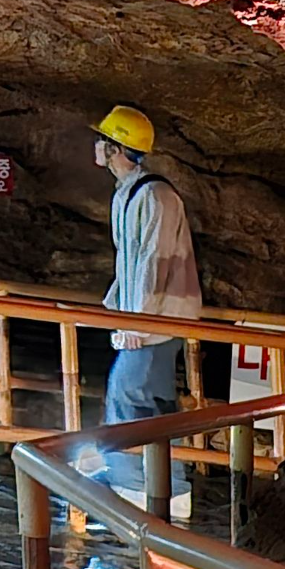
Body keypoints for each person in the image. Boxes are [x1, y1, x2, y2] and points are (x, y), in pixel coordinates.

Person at [93, 103, 200, 517]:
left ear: (115, 147)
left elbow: (155, 260)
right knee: (152, 404)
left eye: (103, 140)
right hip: (148, 316)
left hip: (157, 318)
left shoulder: (155, 195)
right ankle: (169, 491)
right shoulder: (131, 193)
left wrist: (137, 319)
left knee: (127, 393)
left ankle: (133, 485)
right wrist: (118, 309)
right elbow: (131, 260)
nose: (97, 147)